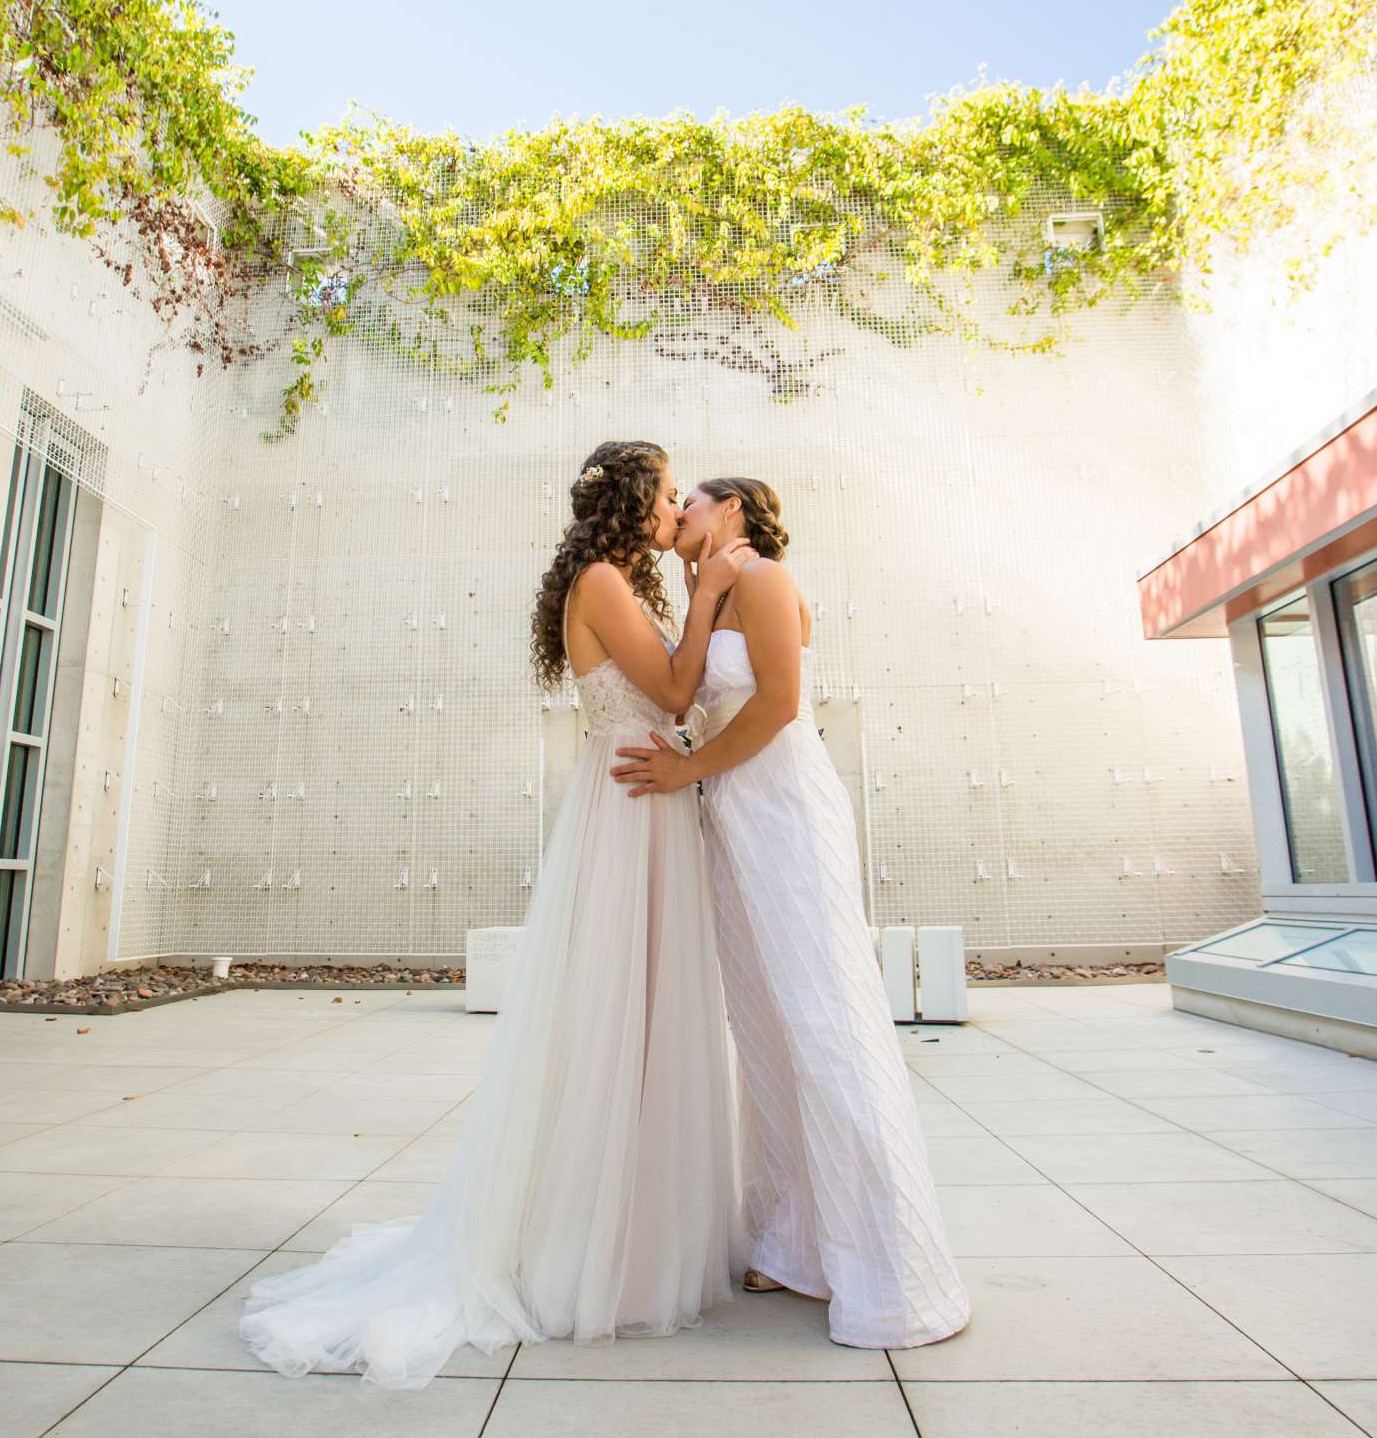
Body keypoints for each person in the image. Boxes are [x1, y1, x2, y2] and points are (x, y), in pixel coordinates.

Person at [237, 439, 756, 1389]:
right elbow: (676, 688)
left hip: (648, 798)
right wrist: (713, 589)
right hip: (631, 809)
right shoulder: (601, 581)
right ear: (634, 503)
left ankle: (637, 1229)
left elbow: (671, 691)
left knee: (650, 1017)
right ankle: (594, 1244)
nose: (680, 509)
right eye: (670, 494)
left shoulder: (615, 580)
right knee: (615, 1019)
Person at [613, 476, 972, 1349]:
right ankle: (797, 1242)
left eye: (687, 500)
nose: (676, 514)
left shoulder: (766, 580)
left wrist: (688, 769)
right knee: (767, 1030)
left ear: (730, 509)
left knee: (827, 1023)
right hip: (733, 820)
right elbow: (692, 700)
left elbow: (777, 705)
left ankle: (892, 1270)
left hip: (786, 813)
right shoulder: (713, 591)